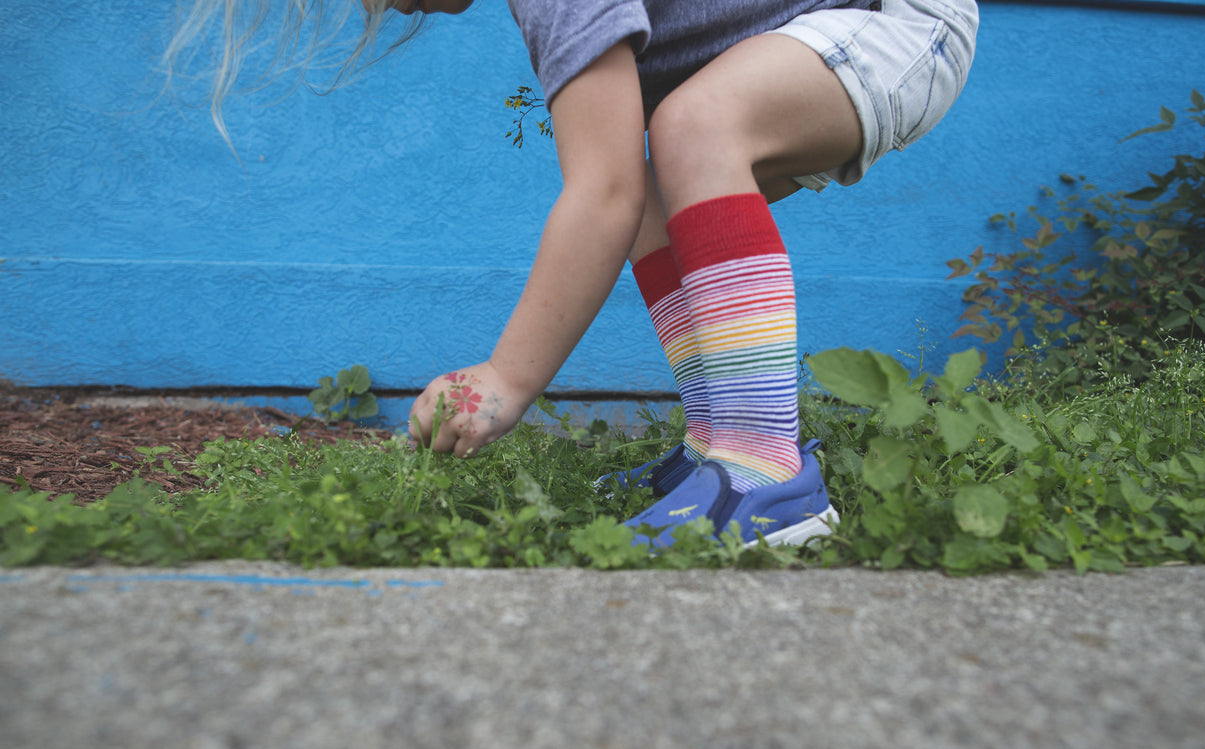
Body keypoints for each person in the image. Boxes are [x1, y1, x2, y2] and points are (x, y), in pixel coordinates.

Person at [170, 0, 979, 549]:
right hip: (838, 24)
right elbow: (625, 192)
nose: (380, 9)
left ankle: (765, 474)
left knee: (695, 126)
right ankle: (717, 446)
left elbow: (600, 196)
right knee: (658, 181)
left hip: (902, 19)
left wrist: (506, 378)